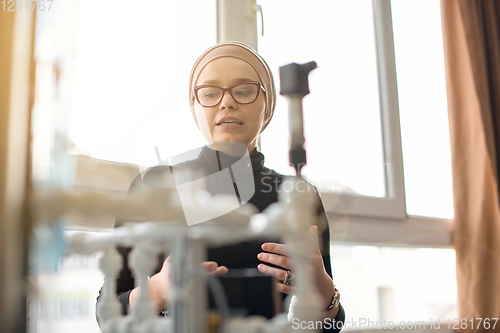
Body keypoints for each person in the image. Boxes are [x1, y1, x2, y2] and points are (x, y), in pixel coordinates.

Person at [97, 41, 345, 332]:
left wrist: (322, 290)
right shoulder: (154, 187)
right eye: (210, 93)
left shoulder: (298, 195)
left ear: (268, 104)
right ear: (195, 106)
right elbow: (107, 315)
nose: (226, 103)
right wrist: (160, 289)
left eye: (243, 90)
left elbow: (329, 327)